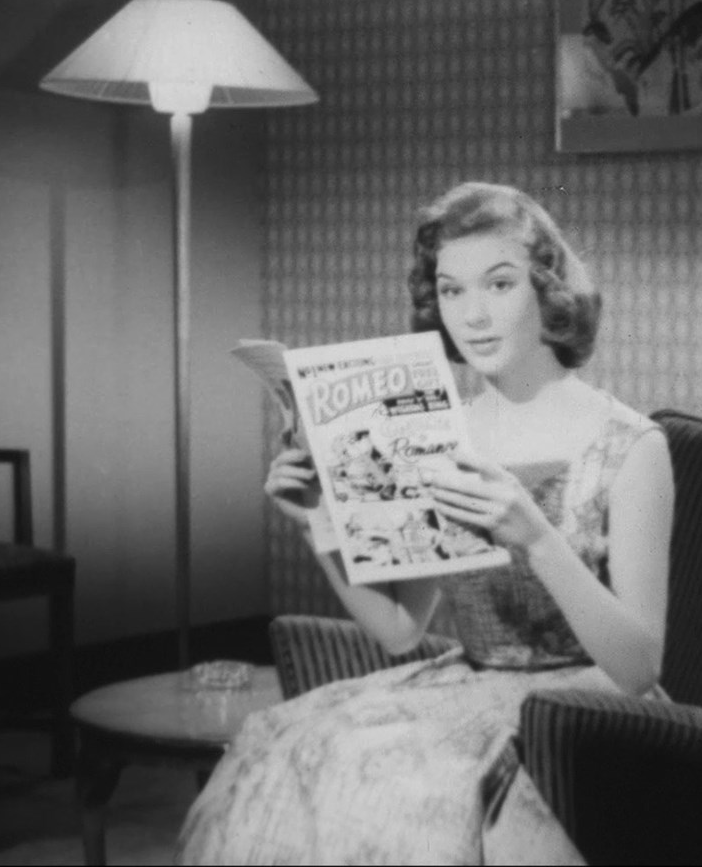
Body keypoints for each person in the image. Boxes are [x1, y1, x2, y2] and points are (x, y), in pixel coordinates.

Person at [177, 182, 675, 865]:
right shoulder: (439, 435)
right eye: (451, 291)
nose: (473, 315)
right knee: (294, 755)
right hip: (467, 688)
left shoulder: (631, 445)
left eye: (499, 285)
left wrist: (536, 538)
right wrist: (319, 523)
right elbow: (398, 629)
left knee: (421, 799)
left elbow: (640, 668)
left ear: (548, 290)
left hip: (587, 714)